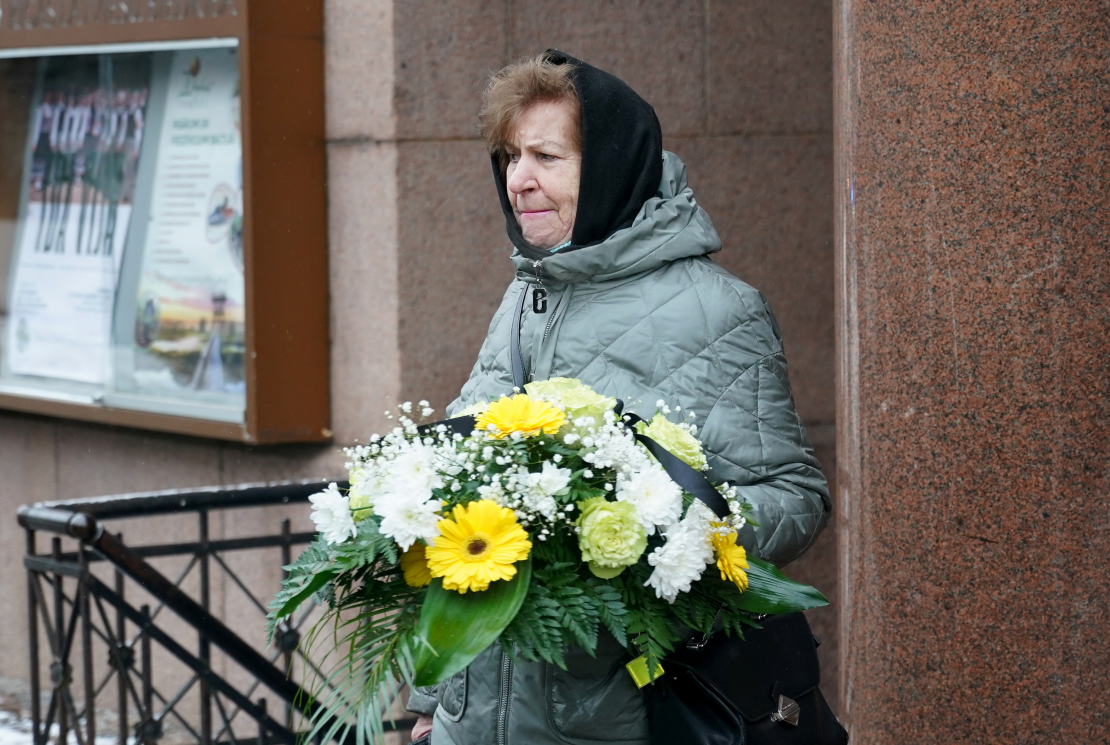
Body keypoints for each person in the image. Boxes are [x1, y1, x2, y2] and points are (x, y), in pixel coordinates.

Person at [407, 50, 830, 745]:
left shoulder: (719, 311)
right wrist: (431, 699)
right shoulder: (525, 296)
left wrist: (658, 528)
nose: (518, 179)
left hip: (627, 720)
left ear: (609, 167)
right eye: (510, 156)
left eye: (546, 156)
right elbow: (463, 501)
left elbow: (796, 498)